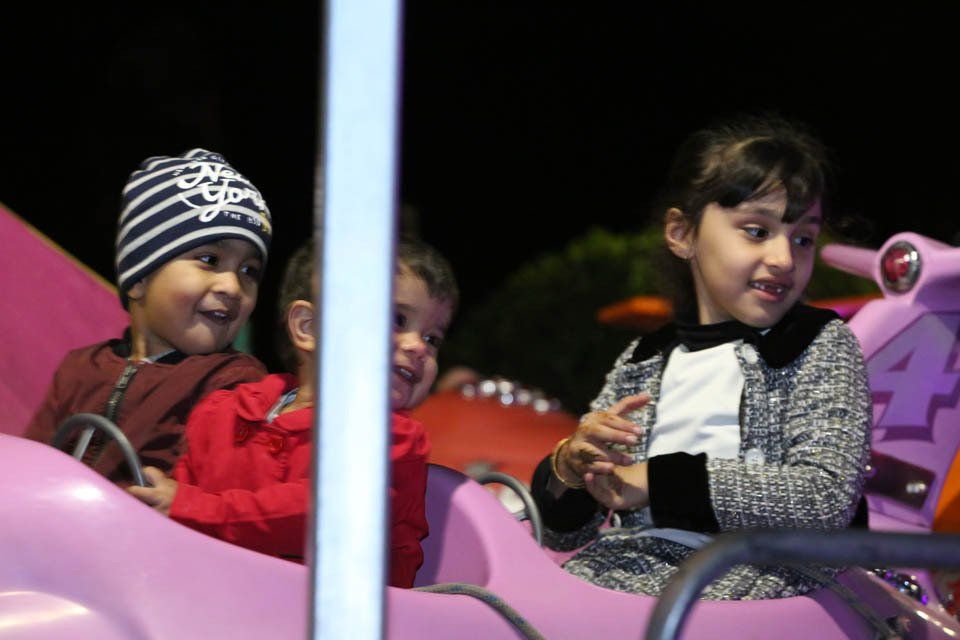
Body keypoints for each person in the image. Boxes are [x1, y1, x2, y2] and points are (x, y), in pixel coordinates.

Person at [530, 114, 872, 600]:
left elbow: (824, 498)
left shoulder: (817, 341)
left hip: (771, 581)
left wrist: (658, 480)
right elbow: (564, 536)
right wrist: (571, 468)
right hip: (632, 570)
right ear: (682, 234)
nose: (783, 258)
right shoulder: (643, 357)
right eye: (757, 230)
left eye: (803, 238)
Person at [128, 237, 458, 588]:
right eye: (397, 319)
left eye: (433, 338)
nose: (419, 347)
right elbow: (175, 516)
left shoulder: (394, 440)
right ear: (309, 327)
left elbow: (321, 513)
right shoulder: (223, 412)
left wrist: (192, 508)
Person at [25, 149, 271, 483]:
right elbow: (28, 471)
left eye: (249, 270)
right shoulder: (80, 369)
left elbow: (225, 499)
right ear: (140, 280)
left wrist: (185, 503)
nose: (232, 285)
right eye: (210, 260)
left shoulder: (235, 382)